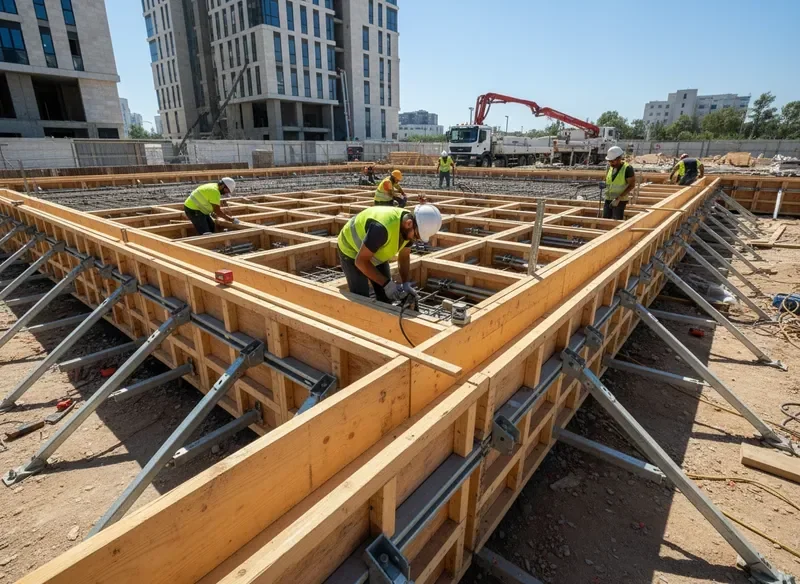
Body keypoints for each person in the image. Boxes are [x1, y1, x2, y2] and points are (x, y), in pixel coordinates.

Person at [338, 204, 442, 304]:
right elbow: (361, 261)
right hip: (351, 249)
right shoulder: (382, 228)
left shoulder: (410, 228)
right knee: (361, 299)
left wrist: (405, 283)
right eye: (416, 236)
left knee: (386, 296)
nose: (415, 239)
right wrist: (387, 284)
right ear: (409, 223)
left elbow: (404, 257)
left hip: (375, 250)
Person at [603, 146, 635, 220]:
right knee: (605, 220)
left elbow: (631, 185)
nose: (611, 163)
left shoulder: (627, 169)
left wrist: (619, 198)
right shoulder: (610, 167)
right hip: (608, 198)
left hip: (620, 200)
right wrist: (603, 183)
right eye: (609, 161)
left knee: (616, 221)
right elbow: (609, 180)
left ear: (619, 158)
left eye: (613, 161)